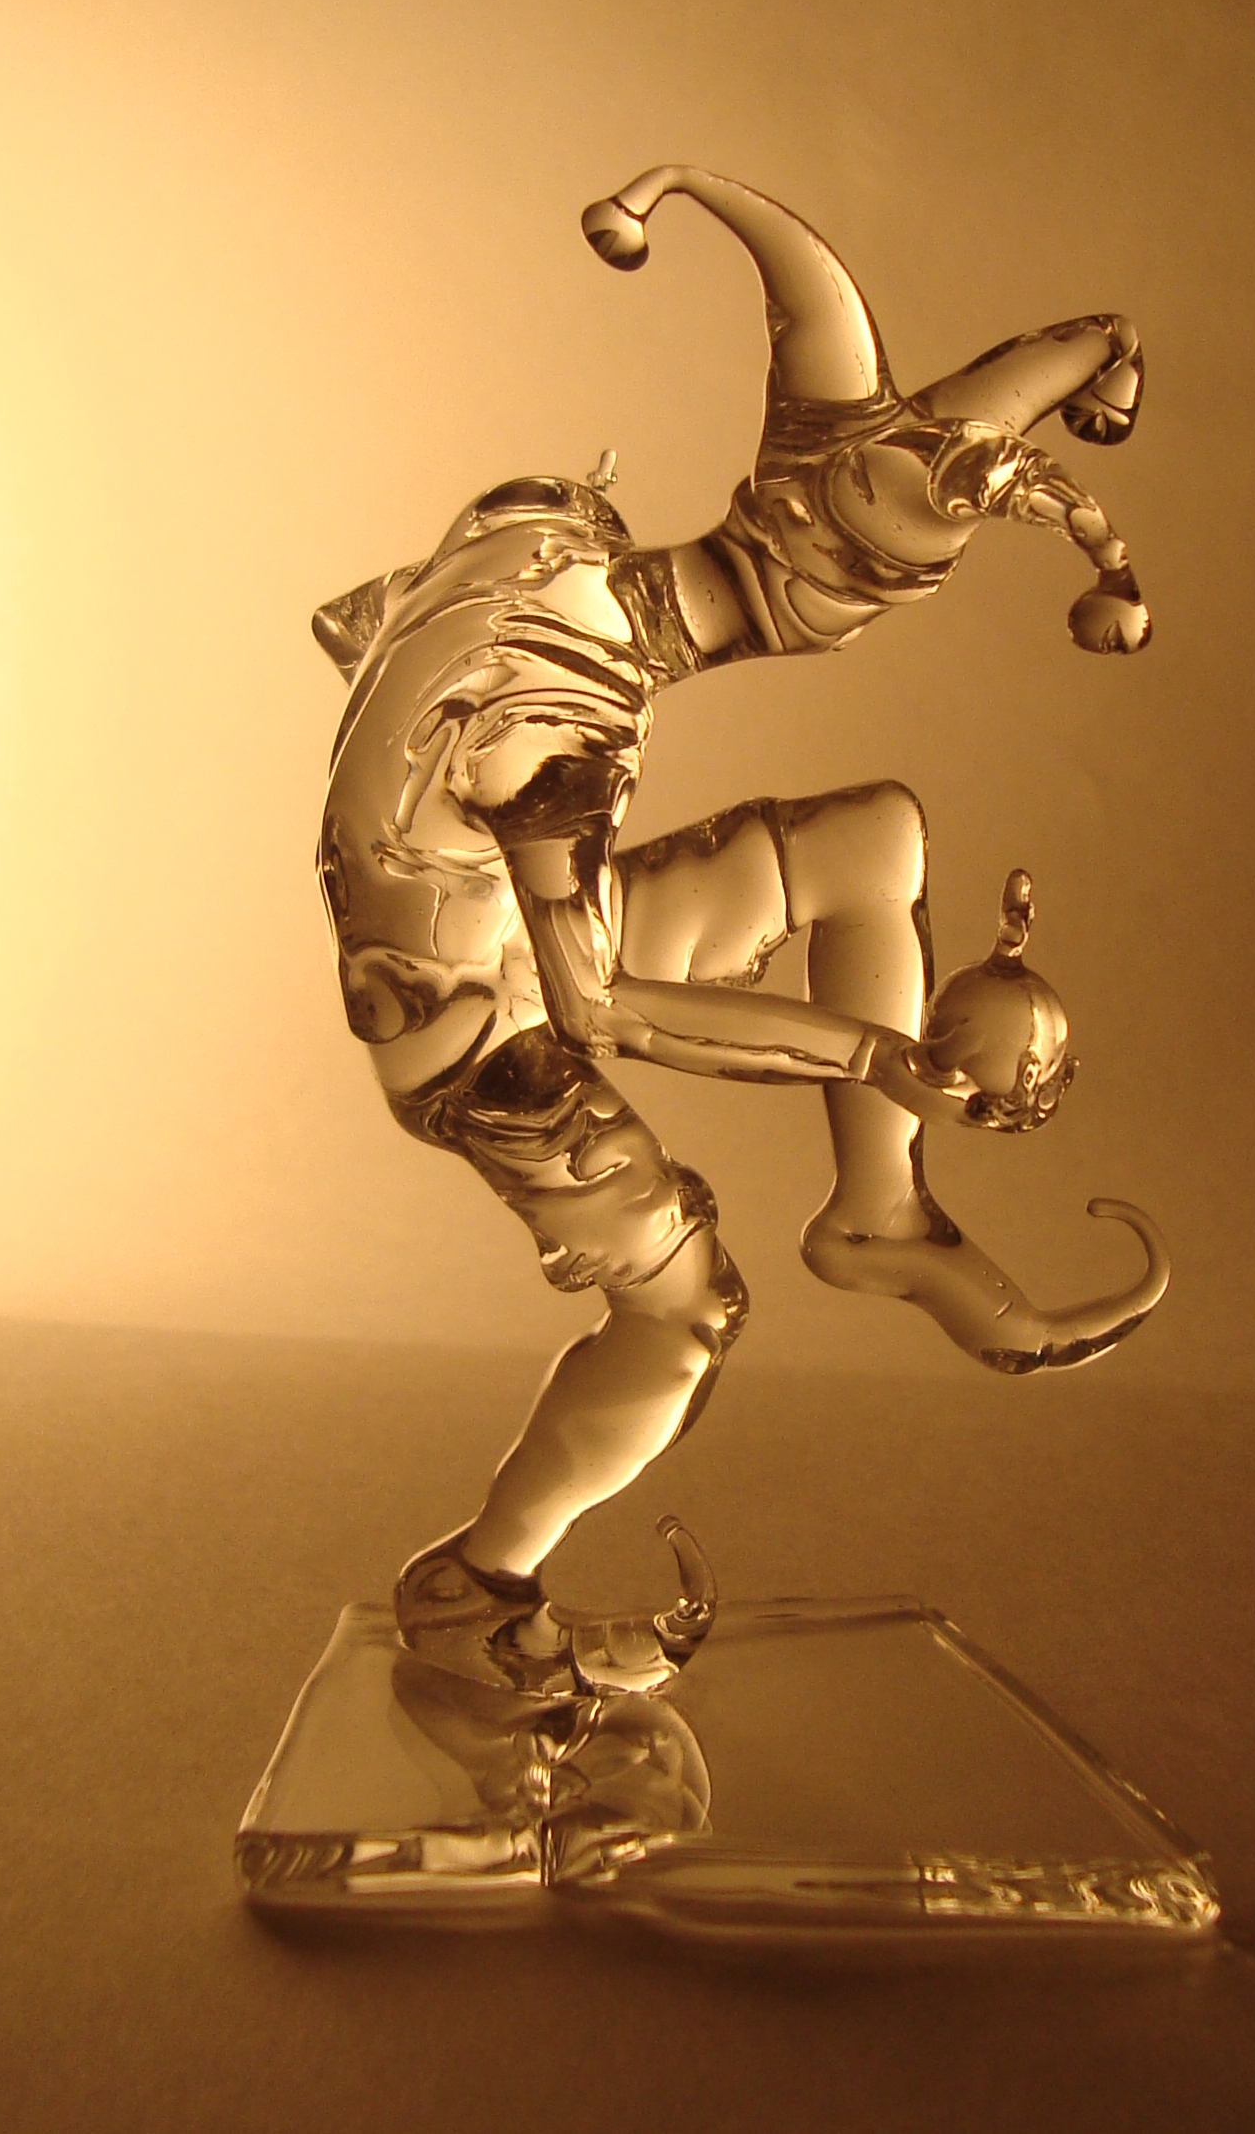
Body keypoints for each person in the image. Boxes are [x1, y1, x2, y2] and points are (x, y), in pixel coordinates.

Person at [313, 167, 1168, 1696]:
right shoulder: (563, 715)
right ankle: (475, 1587)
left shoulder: (545, 550)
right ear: (818, 594)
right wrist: (868, 1053)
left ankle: (878, 1215)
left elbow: (350, 626)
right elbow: (598, 1012)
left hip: (494, 918)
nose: (860, 627)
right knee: (684, 1309)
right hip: (480, 1037)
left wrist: (411, 821)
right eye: (876, 599)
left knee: (872, 839)